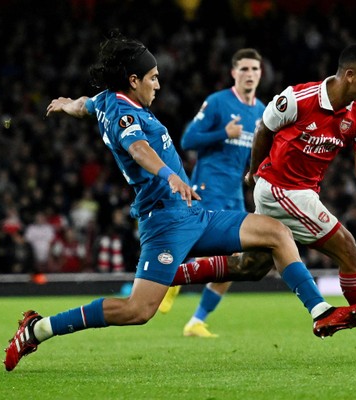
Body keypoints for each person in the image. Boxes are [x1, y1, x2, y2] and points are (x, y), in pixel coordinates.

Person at [3, 33, 356, 372]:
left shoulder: (104, 100)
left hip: (193, 213)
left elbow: (86, 104)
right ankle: (38, 329)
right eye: (153, 77)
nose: (158, 84)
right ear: (133, 81)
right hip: (164, 223)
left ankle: (320, 312)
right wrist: (172, 176)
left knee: (274, 232)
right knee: (137, 310)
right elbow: (139, 148)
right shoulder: (122, 112)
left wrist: (68, 104)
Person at [244, 43, 356, 363]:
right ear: (350, 75)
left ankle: (170, 275)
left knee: (252, 266)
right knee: (350, 251)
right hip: (279, 188)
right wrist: (254, 173)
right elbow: (264, 130)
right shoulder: (298, 99)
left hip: (304, 192)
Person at [157, 48, 266, 339]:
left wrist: (252, 174)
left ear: (261, 73)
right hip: (208, 187)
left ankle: (196, 321)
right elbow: (188, 138)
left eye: (254, 69)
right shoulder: (218, 102)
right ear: (233, 73)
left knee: (236, 262)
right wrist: (222, 133)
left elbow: (254, 154)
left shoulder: (262, 111)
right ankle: (173, 279)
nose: (249, 74)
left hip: (234, 193)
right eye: (243, 69)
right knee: (209, 248)